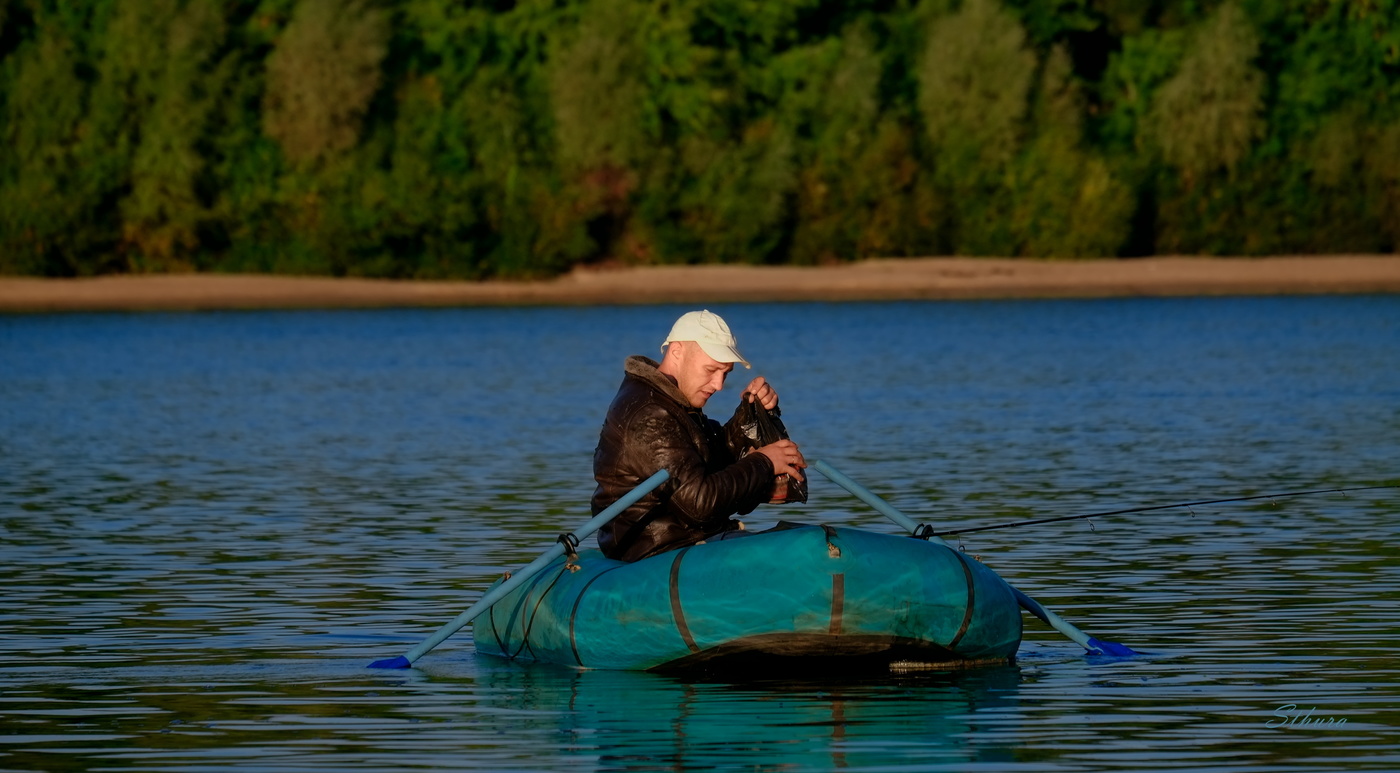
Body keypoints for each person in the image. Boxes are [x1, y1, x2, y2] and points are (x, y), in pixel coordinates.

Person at [592, 310, 807, 562]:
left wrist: (749, 412)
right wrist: (765, 462)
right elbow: (699, 504)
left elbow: (709, 457)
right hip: (656, 551)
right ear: (677, 353)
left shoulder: (670, 400)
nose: (718, 385)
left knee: (803, 540)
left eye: (725, 373)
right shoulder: (651, 412)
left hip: (692, 540)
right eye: (711, 370)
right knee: (799, 553)